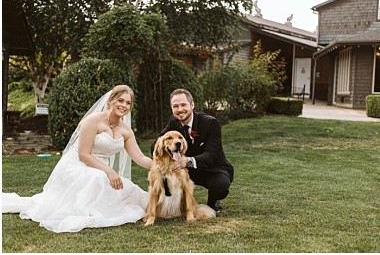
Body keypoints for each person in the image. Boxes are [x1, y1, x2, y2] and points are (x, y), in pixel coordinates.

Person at [3, 85, 153, 233]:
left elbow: (139, 157)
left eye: (128, 103)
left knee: (129, 189)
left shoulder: (126, 130)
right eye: (120, 100)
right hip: (77, 166)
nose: (124, 105)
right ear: (110, 101)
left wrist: (162, 166)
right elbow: (83, 154)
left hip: (102, 171)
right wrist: (109, 171)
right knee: (99, 179)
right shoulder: (93, 121)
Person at [155, 89, 233, 214]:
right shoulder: (173, 122)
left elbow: (211, 155)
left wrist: (188, 161)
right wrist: (160, 151)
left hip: (211, 168)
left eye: (183, 105)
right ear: (171, 108)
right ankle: (177, 204)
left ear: (192, 105)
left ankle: (213, 202)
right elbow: (158, 142)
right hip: (186, 170)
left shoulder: (210, 123)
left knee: (221, 185)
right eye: (175, 106)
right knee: (167, 175)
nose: (180, 109)